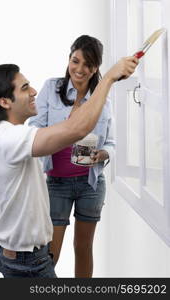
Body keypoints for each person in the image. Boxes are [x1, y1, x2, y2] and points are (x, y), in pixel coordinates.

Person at [0, 55, 138, 278]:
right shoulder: (10, 137)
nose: (34, 91)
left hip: (23, 256)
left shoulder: (6, 135)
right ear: (5, 102)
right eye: (25, 88)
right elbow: (76, 129)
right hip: (27, 262)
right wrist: (109, 78)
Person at [28, 35, 137, 277]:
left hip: (90, 183)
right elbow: (33, 127)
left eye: (88, 64)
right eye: (75, 61)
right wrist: (58, 135)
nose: (80, 69)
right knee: (49, 255)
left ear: (96, 68)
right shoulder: (51, 88)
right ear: (69, 59)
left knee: (83, 248)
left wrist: (103, 153)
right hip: (56, 183)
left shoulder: (102, 100)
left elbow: (112, 142)